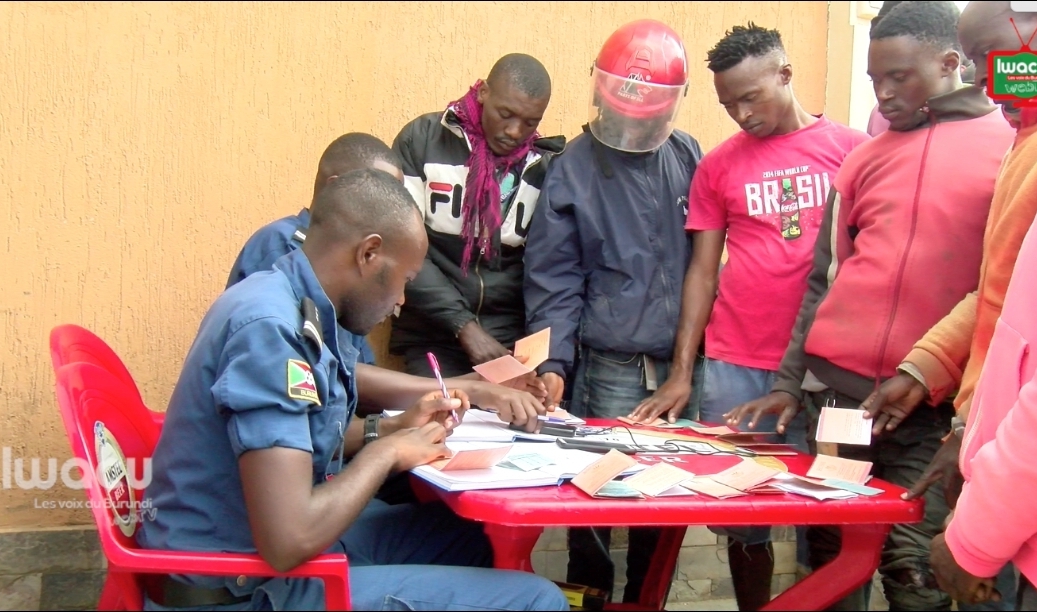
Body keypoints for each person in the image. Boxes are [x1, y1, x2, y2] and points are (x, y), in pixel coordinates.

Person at [138, 169, 569, 611]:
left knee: (458, 537)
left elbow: (292, 441)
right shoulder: (271, 332)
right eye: (404, 280)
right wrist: (388, 454)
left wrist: (391, 429)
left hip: (253, 558)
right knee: (537, 600)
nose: (401, 302)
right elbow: (289, 539)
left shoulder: (292, 302)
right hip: (235, 588)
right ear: (369, 253)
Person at [724, 2, 1016, 610]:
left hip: (932, 408)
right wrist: (787, 382)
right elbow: (823, 281)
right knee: (831, 562)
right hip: (837, 398)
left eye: (898, 77)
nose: (882, 94)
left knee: (915, 571)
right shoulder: (862, 160)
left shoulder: (1010, 149)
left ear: (950, 62)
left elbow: (1005, 287)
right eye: (874, 80)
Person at [627, 23, 870, 610]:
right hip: (737, 365)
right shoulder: (718, 167)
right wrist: (685, 370)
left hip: (829, 372)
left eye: (751, 96)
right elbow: (702, 274)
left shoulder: (853, 151)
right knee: (743, 514)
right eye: (727, 102)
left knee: (838, 505)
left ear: (785, 75)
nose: (740, 113)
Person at [523, 19, 703, 605]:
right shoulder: (572, 170)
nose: (632, 125)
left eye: (646, 117)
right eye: (624, 112)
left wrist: (689, 361)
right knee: (595, 508)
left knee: (663, 501)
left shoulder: (686, 155)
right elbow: (554, 279)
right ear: (602, 95)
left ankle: (648, 601)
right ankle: (595, 602)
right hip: (611, 367)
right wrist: (553, 362)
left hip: (678, 366)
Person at [868, 1, 1037, 608]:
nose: (990, 82)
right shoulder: (1025, 143)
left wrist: (975, 542)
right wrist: (925, 368)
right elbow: (1001, 296)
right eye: (977, 64)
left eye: (996, 58)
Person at [390, 53, 565, 379]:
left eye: (530, 123)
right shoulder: (423, 140)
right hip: (433, 334)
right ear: (483, 92)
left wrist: (543, 357)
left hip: (507, 343)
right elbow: (402, 249)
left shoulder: (544, 166)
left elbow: (550, 270)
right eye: (505, 114)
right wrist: (464, 326)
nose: (515, 132)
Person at [226, 132, 404, 366]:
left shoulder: (350, 261)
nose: (392, 210)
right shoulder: (282, 246)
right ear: (336, 189)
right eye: (381, 194)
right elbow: (311, 369)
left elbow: (354, 369)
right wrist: (458, 386)